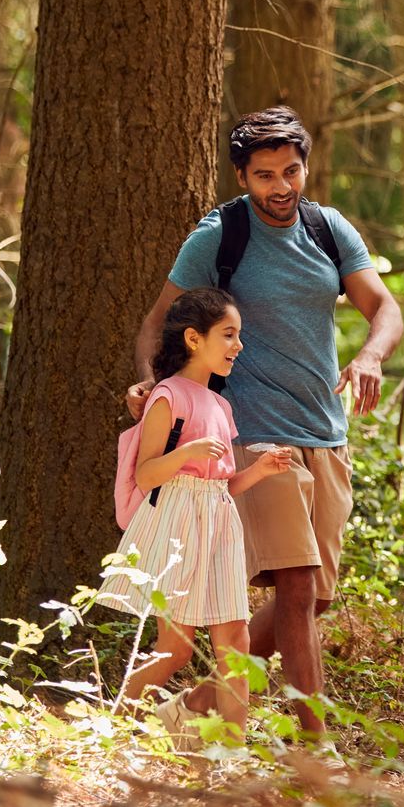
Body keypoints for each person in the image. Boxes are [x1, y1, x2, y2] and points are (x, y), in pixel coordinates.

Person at [130, 107, 402, 735]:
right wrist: (151, 380)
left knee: (309, 600)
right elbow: (159, 320)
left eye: (291, 170)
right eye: (265, 175)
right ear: (241, 176)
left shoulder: (328, 229)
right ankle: (316, 747)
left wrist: (369, 355)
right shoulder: (219, 236)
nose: (281, 187)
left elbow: (383, 308)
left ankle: (191, 708)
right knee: (300, 587)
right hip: (252, 433)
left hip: (326, 434)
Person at [101, 288, 294, 734]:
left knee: (236, 643)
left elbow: (224, 483)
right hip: (179, 522)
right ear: (193, 338)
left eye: (238, 336)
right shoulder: (168, 396)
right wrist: (185, 450)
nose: (238, 346)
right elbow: (147, 474)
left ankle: (232, 750)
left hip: (219, 521)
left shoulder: (222, 406)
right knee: (177, 648)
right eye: (228, 335)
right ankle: (111, 729)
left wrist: (261, 470)